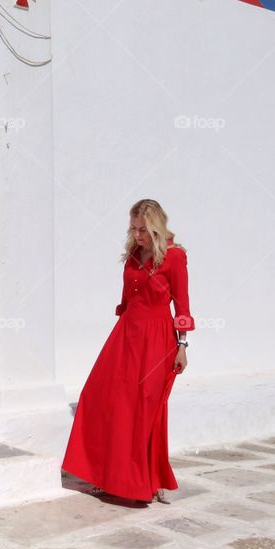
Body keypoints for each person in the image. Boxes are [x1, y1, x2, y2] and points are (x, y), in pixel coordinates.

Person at [60, 198, 194, 505]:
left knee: (145, 409)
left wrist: (182, 345)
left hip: (157, 339)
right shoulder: (133, 255)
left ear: (156, 226)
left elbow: (182, 305)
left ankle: (148, 480)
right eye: (133, 229)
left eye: (143, 229)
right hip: (126, 334)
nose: (137, 235)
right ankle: (105, 474)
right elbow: (127, 298)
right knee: (100, 397)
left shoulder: (174, 257)